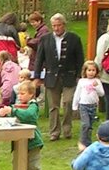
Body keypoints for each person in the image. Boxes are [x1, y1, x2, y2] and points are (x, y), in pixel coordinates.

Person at [33, 13, 84, 141]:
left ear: (64, 25)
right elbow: (39, 59)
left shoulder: (74, 38)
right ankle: (54, 132)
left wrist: (79, 75)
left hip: (69, 76)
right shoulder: (45, 39)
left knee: (68, 102)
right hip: (52, 77)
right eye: (54, 26)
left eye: (59, 25)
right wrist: (37, 76)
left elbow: (80, 58)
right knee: (53, 106)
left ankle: (67, 129)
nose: (56, 28)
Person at [0, 81, 44, 170]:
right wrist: (5, 112)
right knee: (19, 164)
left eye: (22, 93)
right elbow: (12, 114)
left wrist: (12, 110)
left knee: (33, 165)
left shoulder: (33, 105)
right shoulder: (17, 106)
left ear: (31, 94)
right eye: (18, 94)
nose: (19, 96)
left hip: (33, 142)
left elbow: (29, 115)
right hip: (19, 141)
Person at [72, 60, 105, 152]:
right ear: (85, 71)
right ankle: (82, 142)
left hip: (93, 106)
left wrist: (96, 87)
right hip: (83, 105)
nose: (91, 72)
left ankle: (88, 143)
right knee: (85, 124)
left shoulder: (97, 81)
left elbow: (102, 93)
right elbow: (77, 94)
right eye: (89, 70)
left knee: (90, 125)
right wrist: (75, 105)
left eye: (93, 70)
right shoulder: (82, 81)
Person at [25, 11, 50, 77]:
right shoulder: (41, 30)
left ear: (39, 21)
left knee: (36, 77)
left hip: (39, 59)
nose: (32, 24)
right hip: (37, 58)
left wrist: (28, 40)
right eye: (31, 22)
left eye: (33, 22)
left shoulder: (43, 30)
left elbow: (38, 43)